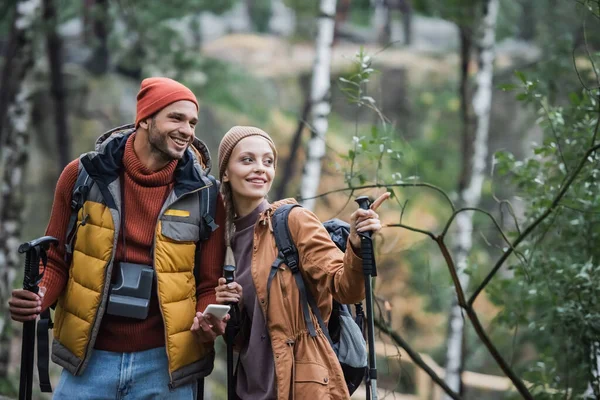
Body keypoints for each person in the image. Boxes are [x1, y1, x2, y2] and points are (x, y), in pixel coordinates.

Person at [8, 77, 227, 399]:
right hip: (90, 361)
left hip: (165, 367)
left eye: (192, 122)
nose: (188, 130)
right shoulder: (81, 175)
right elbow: (56, 260)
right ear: (145, 119)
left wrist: (208, 317)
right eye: (176, 118)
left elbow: (209, 284)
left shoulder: (205, 195)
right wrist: (38, 297)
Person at [206, 126, 389, 399]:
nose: (260, 168)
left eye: (268, 161)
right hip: (249, 391)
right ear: (225, 173)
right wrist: (233, 312)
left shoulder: (292, 221)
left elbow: (347, 288)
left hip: (302, 389)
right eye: (247, 160)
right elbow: (251, 339)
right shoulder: (226, 242)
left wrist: (356, 244)